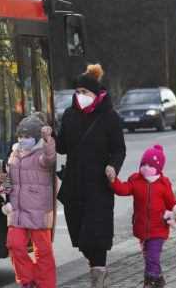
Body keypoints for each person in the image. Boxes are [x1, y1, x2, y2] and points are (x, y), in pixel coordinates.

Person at [56, 64, 126, 288]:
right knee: (79, 234)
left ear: (96, 94)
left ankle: (99, 273)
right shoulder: (69, 115)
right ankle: (95, 266)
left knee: (95, 231)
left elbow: (118, 149)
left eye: (84, 92)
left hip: (99, 183)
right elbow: (62, 147)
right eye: (77, 92)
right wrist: (48, 137)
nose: (80, 96)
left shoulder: (109, 117)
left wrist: (113, 167)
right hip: (74, 183)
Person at [106, 145, 176, 288]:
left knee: (153, 256)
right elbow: (123, 189)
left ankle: (151, 281)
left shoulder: (163, 184)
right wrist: (113, 180)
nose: (146, 168)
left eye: (150, 165)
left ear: (158, 167)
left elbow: (171, 201)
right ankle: (158, 279)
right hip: (141, 228)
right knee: (148, 256)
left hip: (159, 228)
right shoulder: (136, 180)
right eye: (144, 164)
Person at [0, 113, 57, 288]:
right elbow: (8, 179)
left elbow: (50, 158)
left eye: (28, 136)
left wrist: (48, 140)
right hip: (16, 210)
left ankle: (45, 284)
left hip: (39, 210)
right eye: (21, 136)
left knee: (43, 251)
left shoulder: (41, 153)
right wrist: (1, 180)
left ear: (36, 137)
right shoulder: (14, 152)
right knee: (14, 245)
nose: (23, 140)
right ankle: (28, 281)